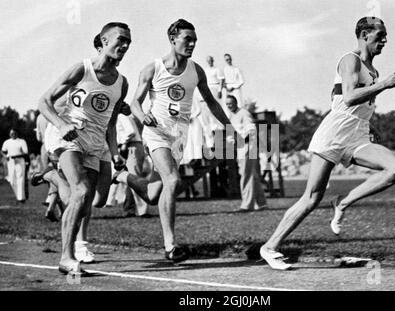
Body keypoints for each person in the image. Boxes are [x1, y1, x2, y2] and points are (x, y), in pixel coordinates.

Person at [259, 17, 395, 270]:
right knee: (312, 197)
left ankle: (343, 201)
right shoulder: (350, 60)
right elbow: (348, 98)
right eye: (380, 35)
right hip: (334, 134)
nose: (385, 40)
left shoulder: (373, 70)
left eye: (385, 35)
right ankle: (270, 247)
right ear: (364, 35)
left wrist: (372, 125)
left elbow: (360, 104)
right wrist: (383, 86)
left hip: (357, 135)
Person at [121, 19, 233, 263]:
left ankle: (122, 176)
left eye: (194, 40)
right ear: (173, 39)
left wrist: (229, 126)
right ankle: (170, 245)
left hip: (179, 137)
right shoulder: (153, 69)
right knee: (173, 179)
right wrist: (143, 116)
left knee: (153, 195)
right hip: (156, 132)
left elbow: (212, 102)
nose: (192, 44)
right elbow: (134, 103)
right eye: (187, 39)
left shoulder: (196, 71)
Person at [37, 22, 130, 275]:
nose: (124, 45)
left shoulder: (122, 83)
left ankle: (53, 177)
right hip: (69, 137)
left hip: (95, 142)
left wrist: (114, 151)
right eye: (120, 39)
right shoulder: (83, 69)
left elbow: (111, 122)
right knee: (80, 190)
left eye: (128, 42)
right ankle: (66, 258)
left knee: (90, 202)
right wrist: (60, 122)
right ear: (104, 40)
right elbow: (44, 101)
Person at [226, 95, 268, 211]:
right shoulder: (232, 116)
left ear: (235, 103)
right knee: (252, 175)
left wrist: (240, 140)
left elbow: (251, 130)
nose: (229, 106)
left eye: (230, 103)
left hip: (248, 146)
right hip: (240, 147)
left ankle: (246, 205)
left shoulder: (244, 113)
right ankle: (261, 203)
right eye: (227, 104)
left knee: (245, 174)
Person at [1, 129, 28, 203]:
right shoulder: (7, 142)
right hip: (11, 162)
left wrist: (16, 156)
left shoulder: (21, 141)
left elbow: (25, 152)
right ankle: (17, 195)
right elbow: (3, 151)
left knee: (20, 179)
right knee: (12, 180)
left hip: (20, 161)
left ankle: (21, 198)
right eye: (11, 133)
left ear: (17, 133)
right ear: (9, 134)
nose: (13, 134)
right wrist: (6, 156)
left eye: (14, 133)